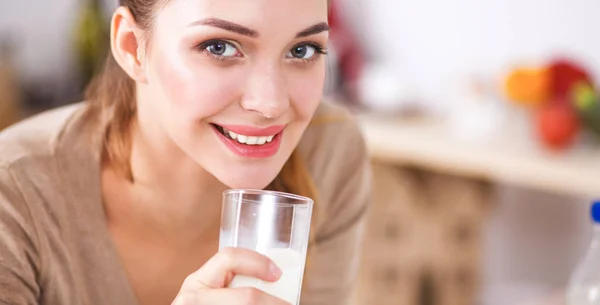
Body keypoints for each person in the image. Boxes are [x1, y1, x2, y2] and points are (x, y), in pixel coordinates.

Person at [0, 0, 372, 304]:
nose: (270, 104)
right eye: (219, 47)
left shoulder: (330, 153)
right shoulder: (14, 193)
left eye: (302, 49)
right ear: (132, 47)